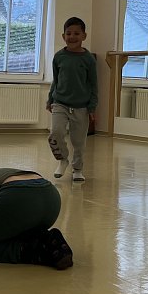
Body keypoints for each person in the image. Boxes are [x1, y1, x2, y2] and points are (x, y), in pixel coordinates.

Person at [47, 17, 98, 182]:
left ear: (84, 36)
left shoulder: (89, 59)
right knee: (56, 132)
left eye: (76, 33)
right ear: (63, 36)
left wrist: (92, 106)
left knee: (78, 141)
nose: (72, 37)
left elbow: (93, 84)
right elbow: (56, 80)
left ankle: (77, 169)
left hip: (81, 106)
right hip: (60, 103)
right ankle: (63, 160)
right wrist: (50, 99)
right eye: (68, 33)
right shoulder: (58, 57)